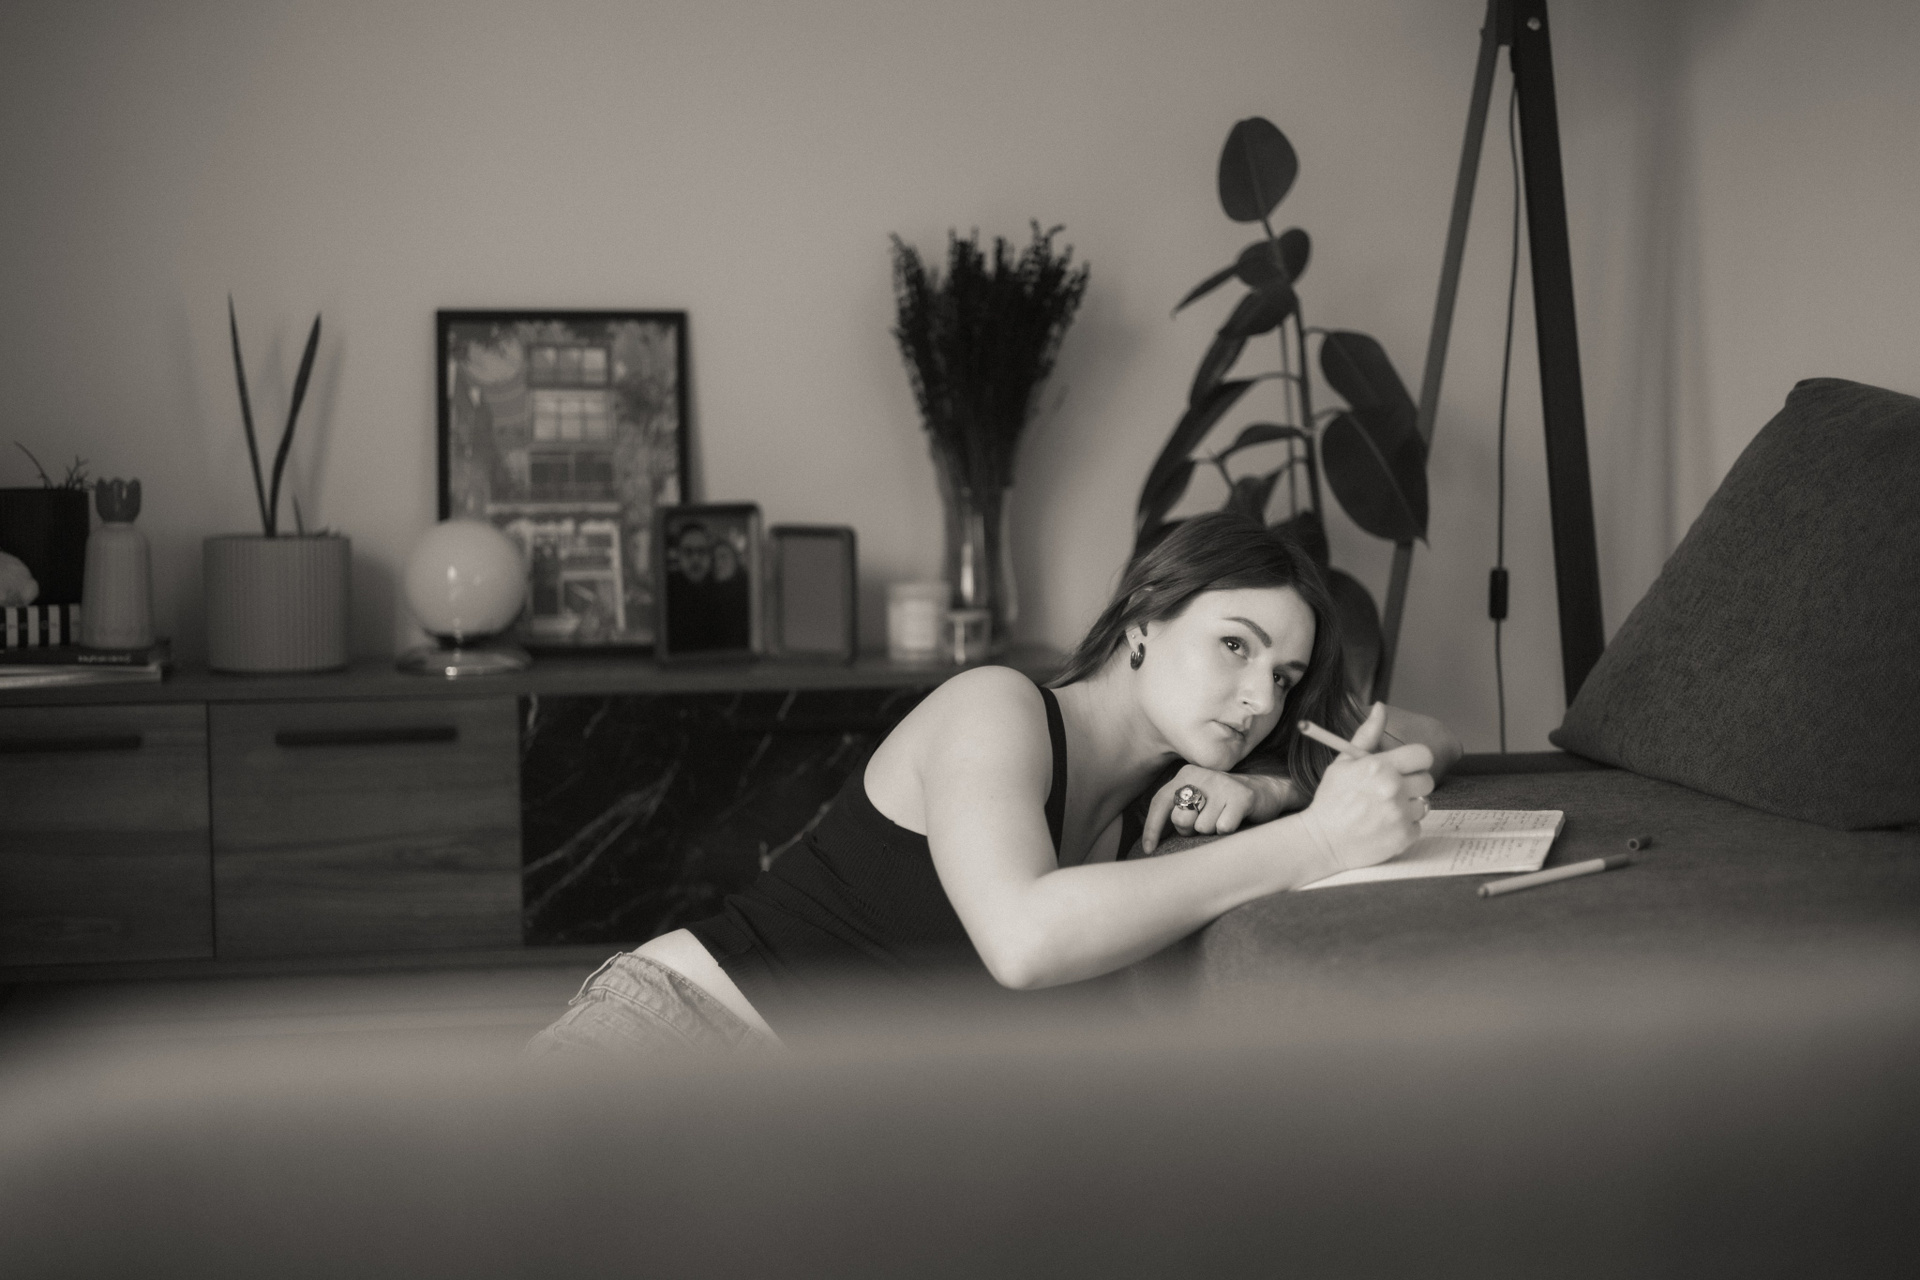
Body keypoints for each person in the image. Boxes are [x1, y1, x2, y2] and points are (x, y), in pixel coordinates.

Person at [527, 511, 1460, 1056]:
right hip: (683, 1037)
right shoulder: (996, 707)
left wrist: (1272, 787)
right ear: (1144, 621)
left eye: (1285, 678)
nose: (1260, 697)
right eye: (1234, 646)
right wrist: (1315, 835)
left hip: (816, 1138)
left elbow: (1428, 738)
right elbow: (1024, 939)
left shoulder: (1177, 788)